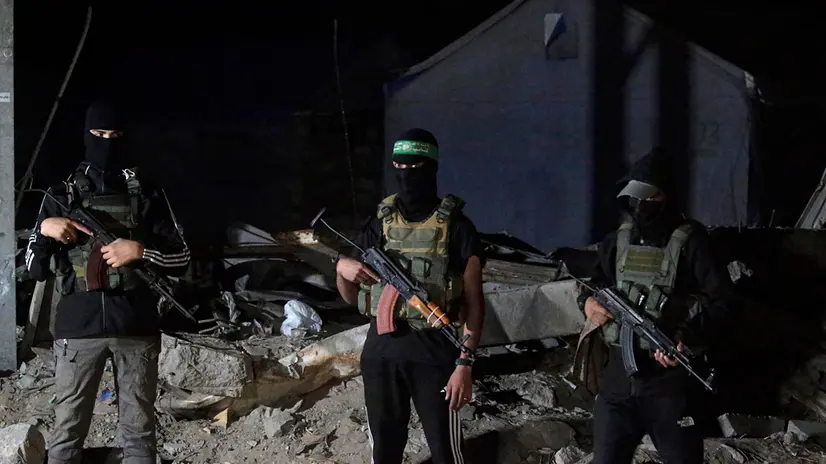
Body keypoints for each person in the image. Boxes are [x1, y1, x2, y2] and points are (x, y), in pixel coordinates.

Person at [24, 100, 191, 464]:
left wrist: (141, 251)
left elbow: (183, 258)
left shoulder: (147, 192)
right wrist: (44, 230)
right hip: (78, 327)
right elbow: (34, 268)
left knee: (139, 435)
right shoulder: (61, 195)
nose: (107, 142)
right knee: (67, 434)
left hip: (136, 325)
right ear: (87, 136)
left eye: (116, 135)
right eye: (99, 134)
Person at [334, 128, 486, 464]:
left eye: (414, 167)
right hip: (380, 354)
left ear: (431, 168)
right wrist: (341, 269)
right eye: (398, 167)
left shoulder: (458, 228)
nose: (405, 175)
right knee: (384, 451)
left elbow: (475, 304)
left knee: (446, 452)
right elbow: (350, 297)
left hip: (433, 353)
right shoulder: (379, 223)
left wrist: (464, 364)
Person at [575, 147, 732, 464]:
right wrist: (588, 304)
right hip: (618, 379)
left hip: (670, 386)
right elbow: (592, 283)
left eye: (651, 197)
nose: (641, 206)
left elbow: (725, 303)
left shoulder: (692, 242)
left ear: (669, 196)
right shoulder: (618, 240)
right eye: (637, 197)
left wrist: (685, 337)